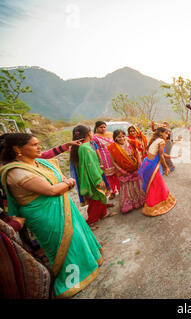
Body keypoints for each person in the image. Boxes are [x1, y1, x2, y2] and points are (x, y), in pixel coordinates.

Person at [0, 133, 103, 298]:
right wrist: (69, 182)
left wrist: (64, 183)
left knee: (75, 237)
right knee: (61, 244)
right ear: (17, 149)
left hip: (62, 206)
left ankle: (89, 263)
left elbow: (58, 180)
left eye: (39, 143)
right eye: (34, 145)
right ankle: (71, 279)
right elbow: (52, 190)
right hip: (43, 215)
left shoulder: (39, 162)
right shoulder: (15, 172)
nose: (39, 147)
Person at [70, 125, 108, 229]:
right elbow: (90, 166)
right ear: (89, 133)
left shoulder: (83, 146)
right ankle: (91, 221)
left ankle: (103, 214)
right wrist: (98, 179)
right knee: (96, 198)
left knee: (100, 196)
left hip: (94, 173)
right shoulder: (85, 148)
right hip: (93, 177)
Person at [138, 127, 176, 217]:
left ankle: (153, 200)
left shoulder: (156, 140)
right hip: (152, 166)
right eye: (166, 133)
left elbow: (161, 154)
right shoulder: (161, 142)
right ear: (161, 133)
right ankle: (153, 204)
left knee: (152, 184)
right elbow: (161, 157)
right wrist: (166, 167)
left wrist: (173, 157)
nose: (167, 135)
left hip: (147, 163)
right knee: (156, 185)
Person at [108, 130, 146, 214]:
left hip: (135, 167)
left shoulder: (131, 142)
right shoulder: (112, 147)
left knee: (137, 184)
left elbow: (137, 152)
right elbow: (113, 161)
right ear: (115, 138)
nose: (121, 138)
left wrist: (139, 163)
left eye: (123, 136)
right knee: (127, 186)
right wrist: (121, 170)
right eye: (119, 137)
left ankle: (140, 201)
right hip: (123, 170)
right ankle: (128, 205)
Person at [92, 121, 120, 199]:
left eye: (104, 127)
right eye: (101, 127)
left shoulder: (110, 134)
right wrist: (99, 162)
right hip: (104, 158)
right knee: (109, 176)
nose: (103, 129)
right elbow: (95, 150)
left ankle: (120, 189)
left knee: (117, 174)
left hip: (114, 156)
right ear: (97, 128)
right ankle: (113, 192)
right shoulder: (94, 138)